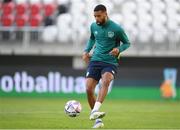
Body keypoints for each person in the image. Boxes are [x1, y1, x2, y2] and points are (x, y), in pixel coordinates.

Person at [82, 4, 130, 128]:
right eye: (95, 16)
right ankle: (97, 121)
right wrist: (86, 51)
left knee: (106, 80)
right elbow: (92, 38)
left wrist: (118, 49)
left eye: (99, 16)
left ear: (105, 13)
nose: (96, 19)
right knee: (88, 89)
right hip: (95, 60)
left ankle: (94, 110)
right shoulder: (93, 26)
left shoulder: (116, 28)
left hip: (110, 62)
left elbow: (127, 43)